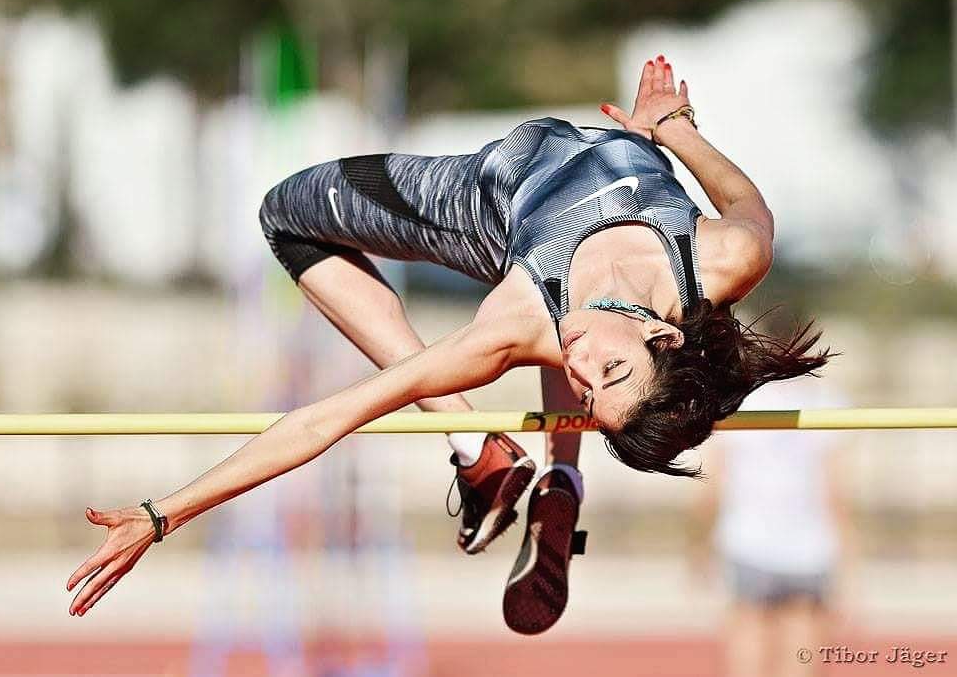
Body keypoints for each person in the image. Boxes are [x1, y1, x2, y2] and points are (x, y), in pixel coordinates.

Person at [66, 56, 833, 634]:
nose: (581, 368)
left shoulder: (517, 323)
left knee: (283, 216)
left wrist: (164, 513)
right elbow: (747, 203)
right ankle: (558, 483)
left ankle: (480, 446)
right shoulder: (726, 259)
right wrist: (675, 130)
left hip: (480, 202)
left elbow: (326, 419)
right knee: (568, 329)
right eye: (610, 368)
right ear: (664, 332)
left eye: (590, 392)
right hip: (588, 179)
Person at [690, 377, 855, 676]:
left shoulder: (736, 398)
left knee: (748, 640)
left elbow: (712, 481)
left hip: (750, 541)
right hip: (808, 546)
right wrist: (849, 558)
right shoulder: (826, 399)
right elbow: (836, 491)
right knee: (800, 647)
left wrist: (699, 543)